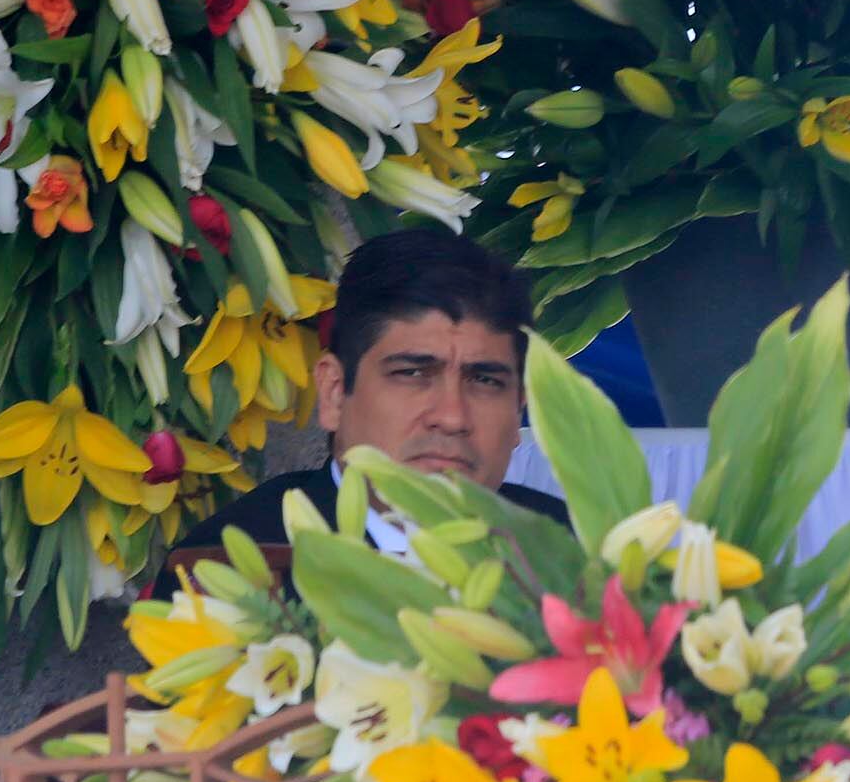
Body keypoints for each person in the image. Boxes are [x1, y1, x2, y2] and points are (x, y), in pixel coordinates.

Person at [175, 227, 566, 562]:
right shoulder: (226, 574)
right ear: (333, 393)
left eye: (485, 381)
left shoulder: (575, 555)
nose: (452, 417)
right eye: (412, 373)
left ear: (519, 407)